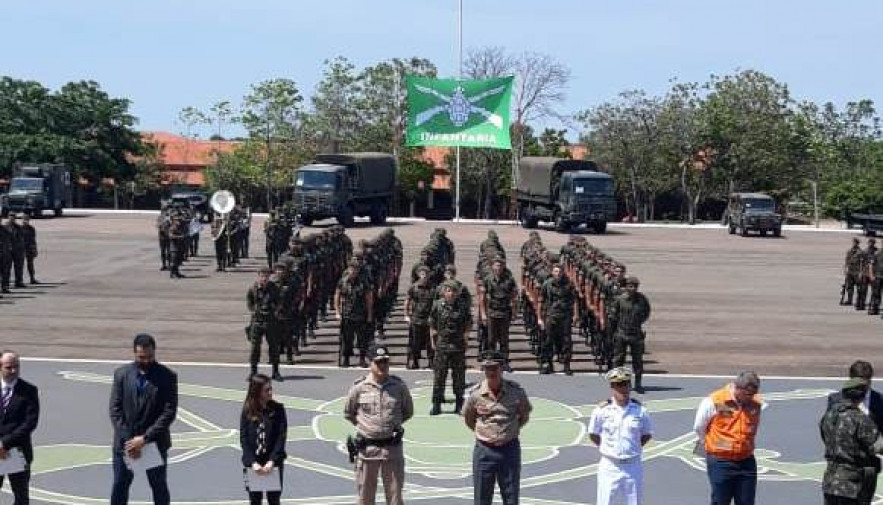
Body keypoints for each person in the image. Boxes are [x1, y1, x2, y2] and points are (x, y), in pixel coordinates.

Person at [109, 334, 178, 505]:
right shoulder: (121, 375)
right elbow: (115, 410)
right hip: (125, 445)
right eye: (141, 357)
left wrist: (145, 439)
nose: (146, 361)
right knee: (119, 485)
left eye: (150, 357)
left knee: (159, 487)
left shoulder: (167, 376)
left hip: (154, 443)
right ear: (134, 353)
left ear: (154, 352)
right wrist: (131, 441)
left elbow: (169, 412)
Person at [344, 346, 414, 505]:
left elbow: (408, 411)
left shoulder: (398, 387)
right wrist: (367, 426)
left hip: (392, 449)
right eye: (379, 362)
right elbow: (349, 412)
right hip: (368, 450)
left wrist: (391, 424)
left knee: (395, 497)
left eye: (386, 362)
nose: (383, 365)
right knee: (365, 498)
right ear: (371, 363)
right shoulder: (359, 387)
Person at [462, 351, 532, 505]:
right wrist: (485, 433)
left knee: (511, 497)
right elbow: (468, 419)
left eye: (494, 368)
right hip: (484, 451)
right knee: (482, 499)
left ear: (502, 368)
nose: (491, 372)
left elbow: (524, 415)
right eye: (487, 369)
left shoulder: (516, 392)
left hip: (509, 450)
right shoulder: (475, 394)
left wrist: (509, 431)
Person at [693, 371, 762, 505]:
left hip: (746, 460)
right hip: (721, 462)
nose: (750, 397)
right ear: (737, 388)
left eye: (753, 394)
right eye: (747, 394)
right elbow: (699, 427)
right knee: (720, 501)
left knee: (747, 501)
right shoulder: (715, 401)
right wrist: (711, 444)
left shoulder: (755, 404)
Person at [588, 367, 653, 505]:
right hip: (609, 465)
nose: (623, 389)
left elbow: (646, 435)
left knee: (634, 502)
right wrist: (608, 448)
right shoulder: (601, 411)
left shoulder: (640, 410)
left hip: (633, 465)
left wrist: (631, 447)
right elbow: (594, 434)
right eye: (619, 385)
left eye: (626, 384)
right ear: (612, 387)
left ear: (630, 386)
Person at [820, 376, 883, 505]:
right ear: (862, 396)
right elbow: (878, 447)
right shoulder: (860, 419)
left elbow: (824, 437)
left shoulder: (828, 416)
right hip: (852, 485)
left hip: (830, 481)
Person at [240, 373, 287, 505]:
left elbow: (280, 438)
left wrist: (272, 461)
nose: (271, 392)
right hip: (253, 464)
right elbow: (244, 439)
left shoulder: (278, 410)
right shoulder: (247, 411)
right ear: (257, 392)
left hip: (273, 463)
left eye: (271, 388)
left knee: (274, 500)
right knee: (254, 501)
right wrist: (253, 462)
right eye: (267, 390)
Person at [0, 351, 40, 505]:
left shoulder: (28, 391)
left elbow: (30, 423)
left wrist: (3, 443)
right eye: (9, 367)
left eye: (16, 367)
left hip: (16, 452)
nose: (13, 371)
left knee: (21, 497)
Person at [429, 281, 472, 416]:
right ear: (444, 292)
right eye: (448, 290)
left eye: (453, 291)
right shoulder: (437, 305)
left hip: (458, 344)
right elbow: (432, 324)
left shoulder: (463, 306)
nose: (451, 293)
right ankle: (436, 403)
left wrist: (466, 339)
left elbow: (468, 324)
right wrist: (433, 341)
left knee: (459, 376)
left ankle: (459, 403)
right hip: (442, 344)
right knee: (439, 375)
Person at [610, 277, 652, 392]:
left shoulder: (642, 299)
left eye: (634, 286)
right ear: (626, 287)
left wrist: (638, 322)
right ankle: (617, 382)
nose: (632, 288)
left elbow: (647, 312)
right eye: (630, 286)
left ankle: (638, 384)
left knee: (637, 360)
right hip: (621, 333)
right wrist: (614, 331)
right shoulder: (620, 299)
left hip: (636, 334)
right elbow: (613, 316)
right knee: (618, 359)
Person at [538, 263, 579, 375]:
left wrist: (576, 315)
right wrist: (539, 317)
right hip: (551, 315)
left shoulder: (569, 284)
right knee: (548, 341)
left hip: (565, 316)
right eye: (556, 271)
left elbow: (574, 301)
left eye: (560, 272)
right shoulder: (547, 284)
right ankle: (548, 364)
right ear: (552, 272)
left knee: (566, 341)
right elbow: (541, 301)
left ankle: (566, 365)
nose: (558, 274)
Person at [480, 258, 518, 371]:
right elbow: (482, 298)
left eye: (500, 266)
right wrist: (483, 314)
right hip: (492, 312)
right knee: (491, 339)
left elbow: (514, 296)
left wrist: (514, 311)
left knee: (504, 339)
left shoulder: (509, 280)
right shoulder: (487, 279)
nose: (498, 268)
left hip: (504, 312)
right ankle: (490, 360)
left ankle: (504, 361)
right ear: (493, 267)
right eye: (496, 265)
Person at [335, 260, 374, 368]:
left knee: (362, 339)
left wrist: (370, 314)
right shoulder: (343, 282)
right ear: (348, 270)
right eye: (351, 269)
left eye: (355, 269)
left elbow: (369, 299)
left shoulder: (363, 282)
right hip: (347, 314)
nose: (353, 271)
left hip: (361, 314)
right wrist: (337, 312)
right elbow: (337, 297)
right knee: (347, 339)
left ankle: (362, 359)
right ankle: (346, 359)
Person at [247, 267, 282, 382]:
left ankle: (275, 371)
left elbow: (279, 302)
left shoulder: (274, 288)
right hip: (257, 321)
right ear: (259, 276)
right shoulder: (253, 288)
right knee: (255, 348)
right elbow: (249, 302)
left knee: (273, 347)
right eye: (262, 276)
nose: (264, 278)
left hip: (270, 321)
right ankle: (253, 371)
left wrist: (274, 311)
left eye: (266, 276)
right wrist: (254, 311)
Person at [405, 265, 435, 370]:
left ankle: (431, 361)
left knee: (430, 342)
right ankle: (414, 360)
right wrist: (406, 315)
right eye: (422, 274)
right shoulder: (413, 287)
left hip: (428, 318)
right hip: (416, 317)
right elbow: (408, 301)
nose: (424, 276)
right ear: (418, 275)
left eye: (426, 274)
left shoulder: (433, 288)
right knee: (414, 342)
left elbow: (435, 303)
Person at [843, 238, 863, 306]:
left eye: (855, 243)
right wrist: (845, 269)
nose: (854, 244)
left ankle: (859, 301)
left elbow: (861, 263)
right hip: (850, 271)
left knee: (859, 287)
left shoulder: (860, 252)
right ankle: (849, 300)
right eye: (853, 242)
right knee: (849, 287)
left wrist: (861, 272)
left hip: (857, 272)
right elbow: (846, 261)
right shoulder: (849, 251)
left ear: (858, 243)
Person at [20, 215, 38, 284]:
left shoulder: (31, 228)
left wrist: (35, 249)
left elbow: (33, 240)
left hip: (29, 248)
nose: (25, 221)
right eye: (24, 219)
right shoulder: (19, 228)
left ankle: (32, 278)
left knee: (30, 264)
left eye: (27, 219)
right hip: (21, 248)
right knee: (20, 265)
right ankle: (19, 280)